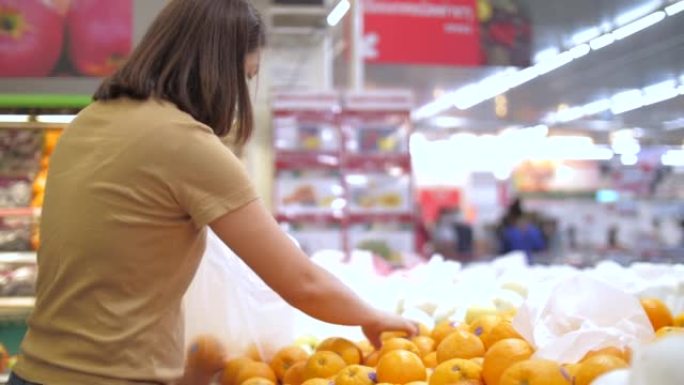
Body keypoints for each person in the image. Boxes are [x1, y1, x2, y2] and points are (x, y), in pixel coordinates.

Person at [10, 1, 416, 385]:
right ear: (220, 70)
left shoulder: (87, 121)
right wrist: (372, 317)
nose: (242, 95)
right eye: (248, 75)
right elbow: (299, 280)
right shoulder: (182, 141)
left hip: (32, 371)